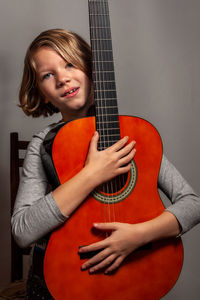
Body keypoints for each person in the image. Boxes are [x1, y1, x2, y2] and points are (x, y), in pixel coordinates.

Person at [11, 29, 200, 299]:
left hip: (138, 270)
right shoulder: (42, 144)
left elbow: (193, 203)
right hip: (66, 283)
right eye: (47, 75)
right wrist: (92, 174)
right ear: (41, 93)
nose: (63, 78)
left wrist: (138, 236)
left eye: (70, 64)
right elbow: (22, 231)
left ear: (93, 70)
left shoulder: (133, 134)